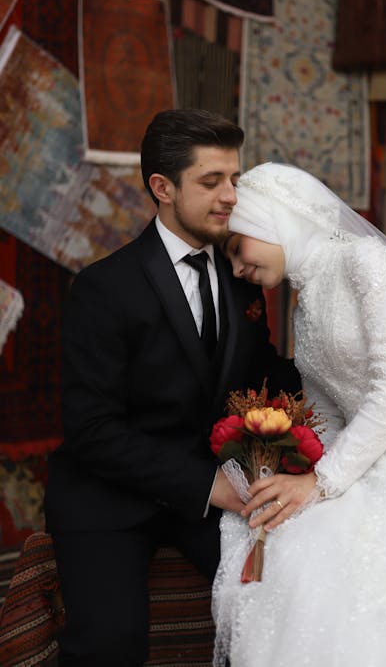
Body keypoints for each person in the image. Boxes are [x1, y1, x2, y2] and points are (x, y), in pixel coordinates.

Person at [212, 161, 386, 667]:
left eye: (238, 247)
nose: (236, 268)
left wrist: (321, 481)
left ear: (271, 220)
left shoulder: (365, 261)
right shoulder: (303, 305)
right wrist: (293, 470)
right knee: (296, 538)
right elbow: (326, 411)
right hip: (366, 453)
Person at [44, 113, 300, 667]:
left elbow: (263, 377)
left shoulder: (241, 274)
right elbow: (92, 432)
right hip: (109, 494)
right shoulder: (102, 288)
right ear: (162, 188)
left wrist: (344, 385)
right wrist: (212, 485)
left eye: (235, 179)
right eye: (211, 182)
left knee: (278, 604)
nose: (231, 196)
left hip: (206, 492)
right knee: (110, 644)